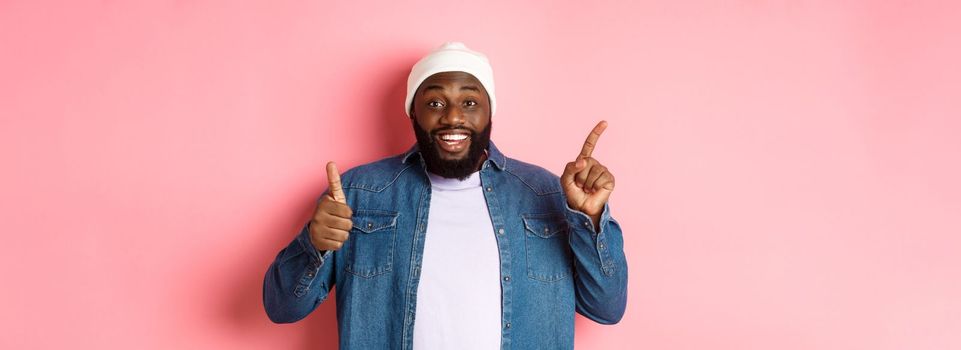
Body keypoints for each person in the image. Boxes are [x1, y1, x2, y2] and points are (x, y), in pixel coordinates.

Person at [263, 42, 628, 349]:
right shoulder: (358, 193)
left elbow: (606, 308)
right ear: (413, 112)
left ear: (489, 112)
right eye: (435, 103)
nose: (453, 116)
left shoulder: (546, 193)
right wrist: (314, 243)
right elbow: (282, 308)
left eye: (470, 102)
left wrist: (590, 221)